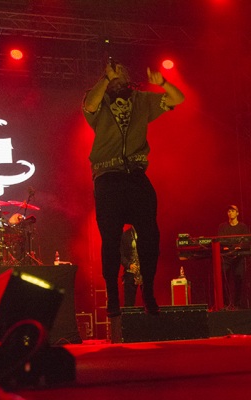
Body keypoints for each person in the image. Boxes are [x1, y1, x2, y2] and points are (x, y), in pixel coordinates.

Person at [82, 58, 185, 317]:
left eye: (120, 73)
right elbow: (90, 105)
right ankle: (113, 296)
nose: (116, 77)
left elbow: (178, 98)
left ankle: (148, 292)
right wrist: (105, 79)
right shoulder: (99, 98)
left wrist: (163, 82)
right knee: (111, 239)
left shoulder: (141, 100)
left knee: (150, 236)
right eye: (112, 75)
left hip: (136, 176)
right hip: (107, 176)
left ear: (128, 77)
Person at [217, 205, 251, 310]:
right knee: (223, 278)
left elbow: (247, 241)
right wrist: (228, 247)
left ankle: (237, 304)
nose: (230, 213)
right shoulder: (222, 227)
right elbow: (220, 241)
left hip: (238, 256)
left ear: (237, 213)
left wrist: (239, 247)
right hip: (226, 257)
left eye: (233, 210)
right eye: (229, 211)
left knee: (239, 278)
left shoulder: (243, 227)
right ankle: (226, 303)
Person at [121, 224, 143, 307]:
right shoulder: (125, 235)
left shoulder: (147, 233)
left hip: (144, 272)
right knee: (129, 303)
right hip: (130, 271)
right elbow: (120, 255)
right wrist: (129, 265)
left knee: (148, 301)